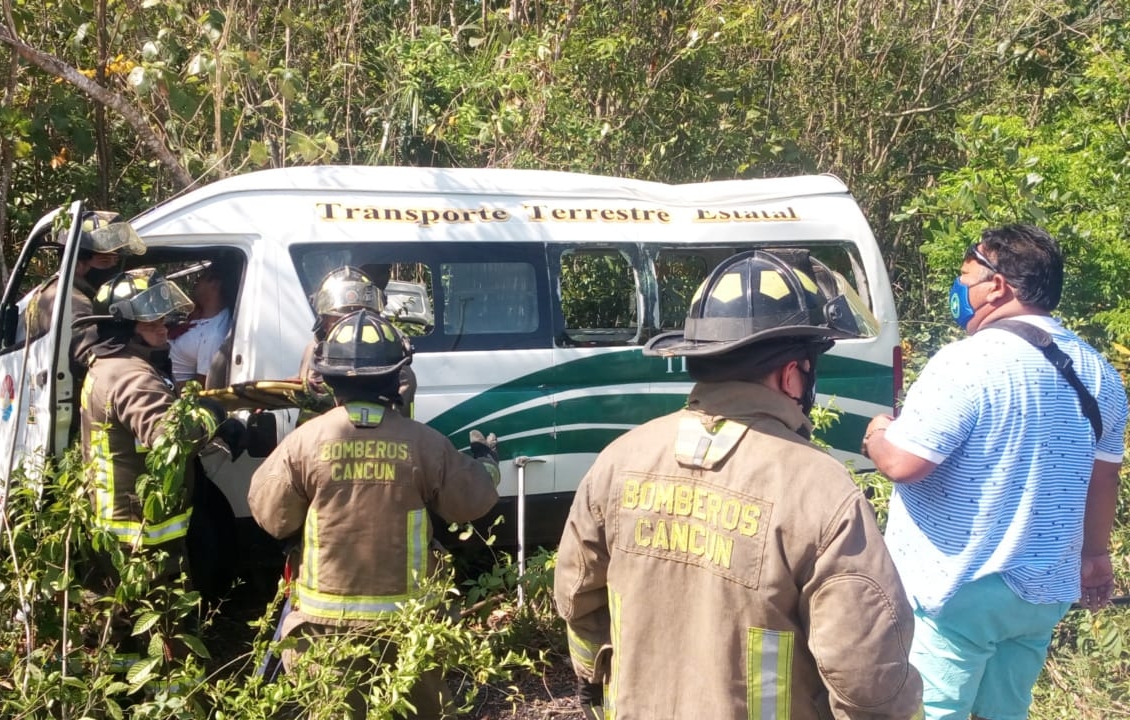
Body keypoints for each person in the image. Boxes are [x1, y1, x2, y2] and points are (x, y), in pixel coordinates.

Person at [554, 249, 924, 719]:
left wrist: (598, 693)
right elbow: (869, 679)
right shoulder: (821, 491)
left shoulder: (619, 460)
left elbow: (577, 597)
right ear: (793, 374)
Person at [861, 224, 1128, 720]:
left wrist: (877, 433)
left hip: (959, 586)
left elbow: (904, 463)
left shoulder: (968, 362)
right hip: (1044, 589)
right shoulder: (1099, 373)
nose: (958, 287)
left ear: (997, 285)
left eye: (965, 275)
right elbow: (1103, 480)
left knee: (932, 711)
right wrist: (1094, 558)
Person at [248, 309, 500, 718]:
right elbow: (472, 502)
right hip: (408, 628)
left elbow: (272, 516)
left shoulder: (304, 442)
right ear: (396, 377)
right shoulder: (425, 443)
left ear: (328, 379)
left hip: (322, 630)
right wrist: (488, 463)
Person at [79, 268, 205, 576]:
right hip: (139, 532)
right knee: (161, 620)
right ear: (123, 327)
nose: (163, 329)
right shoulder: (132, 376)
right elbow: (171, 440)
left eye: (162, 320)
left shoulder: (109, 365)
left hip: (118, 523)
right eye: (151, 323)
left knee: (122, 618)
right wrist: (213, 417)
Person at [24, 210, 147, 375]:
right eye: (105, 259)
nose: (112, 266)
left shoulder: (52, 290)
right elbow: (93, 355)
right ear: (78, 259)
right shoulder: (73, 301)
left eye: (115, 258)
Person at [297, 266, 417, 418]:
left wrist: (328, 398)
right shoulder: (314, 348)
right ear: (324, 321)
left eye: (354, 317)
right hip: (308, 439)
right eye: (336, 319)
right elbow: (306, 383)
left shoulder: (391, 364)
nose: (349, 326)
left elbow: (385, 420)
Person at [169, 258, 239, 389]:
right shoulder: (203, 316)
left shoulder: (213, 334)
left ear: (215, 284)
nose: (197, 281)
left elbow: (202, 385)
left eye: (202, 277)